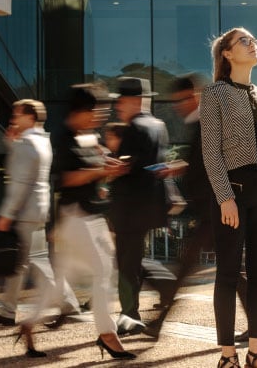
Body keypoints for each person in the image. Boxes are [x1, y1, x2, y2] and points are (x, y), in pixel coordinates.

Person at [145, 73, 257, 342]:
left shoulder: (207, 119)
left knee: (195, 267)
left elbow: (217, 161)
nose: (179, 107)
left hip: (217, 208)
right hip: (211, 210)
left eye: (181, 100)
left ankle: (159, 321)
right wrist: (178, 168)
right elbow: (204, 161)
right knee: (225, 270)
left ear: (194, 95)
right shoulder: (201, 122)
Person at [16, 84, 135, 360]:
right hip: (77, 217)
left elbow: (95, 171)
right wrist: (99, 171)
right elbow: (67, 179)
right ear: (81, 111)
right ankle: (107, 334)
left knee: (62, 281)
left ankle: (29, 322)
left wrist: (109, 170)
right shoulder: (63, 138)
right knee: (103, 272)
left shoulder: (87, 135)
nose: (100, 117)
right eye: (96, 111)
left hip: (88, 216)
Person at [200, 28, 257, 368]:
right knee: (227, 273)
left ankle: (256, 351)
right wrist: (224, 197)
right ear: (227, 54)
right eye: (246, 41)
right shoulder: (215, 94)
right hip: (233, 196)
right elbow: (211, 153)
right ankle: (227, 356)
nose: (254, 45)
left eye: (255, 40)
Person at [0, 99, 80, 327]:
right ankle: (13, 310)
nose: (13, 118)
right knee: (31, 262)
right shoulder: (41, 141)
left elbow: (21, 182)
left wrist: (7, 213)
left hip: (24, 211)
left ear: (30, 117)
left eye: (17, 114)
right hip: (37, 209)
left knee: (22, 262)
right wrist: (12, 144)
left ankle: (11, 311)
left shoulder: (26, 144)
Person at [109, 77, 170, 333]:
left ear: (134, 101)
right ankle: (164, 288)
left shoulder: (134, 128)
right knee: (134, 260)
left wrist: (114, 168)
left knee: (126, 263)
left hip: (130, 207)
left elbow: (127, 167)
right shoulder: (159, 125)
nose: (118, 106)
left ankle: (130, 315)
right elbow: (155, 165)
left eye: (121, 101)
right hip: (149, 206)